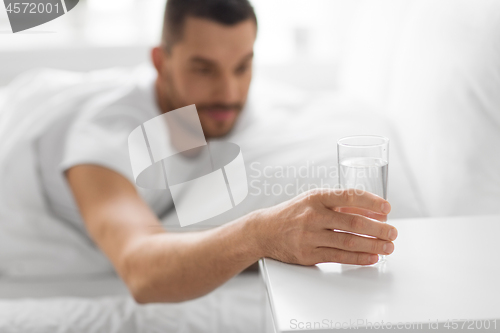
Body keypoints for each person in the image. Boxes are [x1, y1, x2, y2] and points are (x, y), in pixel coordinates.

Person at [36, 0, 397, 305]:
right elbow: (140, 271)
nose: (229, 92)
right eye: (204, 69)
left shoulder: (229, 105)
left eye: (242, 66)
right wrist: (260, 234)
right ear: (161, 62)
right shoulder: (107, 136)